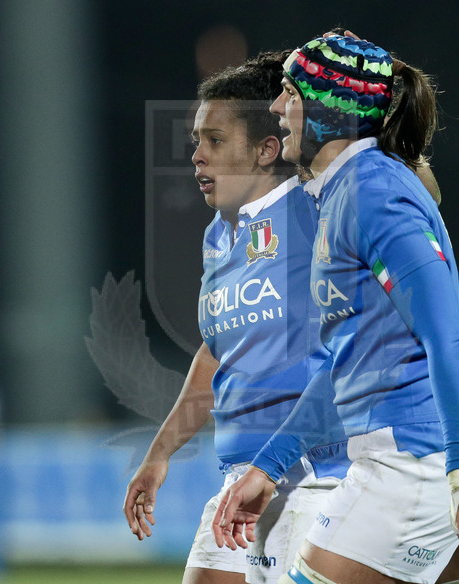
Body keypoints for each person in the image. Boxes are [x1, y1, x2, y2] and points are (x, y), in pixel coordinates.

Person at [210, 34, 459, 584]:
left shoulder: (374, 193)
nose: (277, 108)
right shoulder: (343, 190)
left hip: (419, 462)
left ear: (328, 109)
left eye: (289, 94)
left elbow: (447, 336)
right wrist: (267, 467)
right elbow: (347, 368)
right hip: (428, 455)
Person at [123, 50, 350, 584]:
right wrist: (159, 455)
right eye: (196, 142)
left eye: (215, 141)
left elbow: (358, 348)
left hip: (317, 476)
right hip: (239, 479)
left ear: (268, 149)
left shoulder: (319, 214)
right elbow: (216, 351)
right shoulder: (219, 236)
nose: (196, 157)